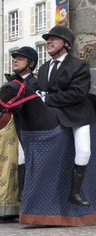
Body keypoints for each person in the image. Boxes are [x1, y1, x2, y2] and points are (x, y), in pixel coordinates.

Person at [37, 25, 95, 206]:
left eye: (54, 38)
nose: (49, 41)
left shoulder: (79, 65)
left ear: (66, 44)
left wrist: (48, 99)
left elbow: (78, 93)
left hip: (78, 114)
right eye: (48, 38)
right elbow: (41, 92)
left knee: (84, 150)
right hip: (53, 114)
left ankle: (75, 193)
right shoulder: (44, 68)